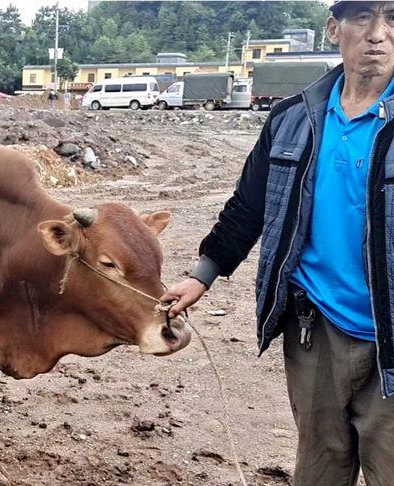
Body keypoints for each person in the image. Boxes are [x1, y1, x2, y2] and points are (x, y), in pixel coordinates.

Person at [162, 2, 394, 484]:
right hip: (316, 328)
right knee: (318, 472)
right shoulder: (293, 118)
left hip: (390, 334)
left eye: (393, 18)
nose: (377, 34)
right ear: (334, 29)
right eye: (362, 18)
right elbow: (250, 205)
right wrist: (201, 275)